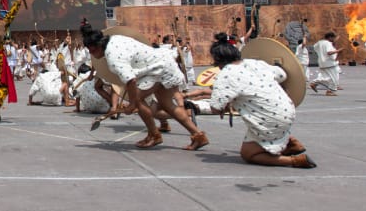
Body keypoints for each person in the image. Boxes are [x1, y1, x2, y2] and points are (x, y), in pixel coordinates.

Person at [81, 23, 209, 150]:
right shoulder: (114, 38)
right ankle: (198, 135)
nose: (91, 54)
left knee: (139, 101)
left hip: (157, 69)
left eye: (91, 51)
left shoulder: (113, 58)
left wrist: (132, 104)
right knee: (167, 104)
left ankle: (154, 135)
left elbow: (130, 80)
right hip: (164, 63)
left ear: (96, 47)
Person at [205, 34, 316, 168]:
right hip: (288, 110)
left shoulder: (226, 74)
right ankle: (289, 144)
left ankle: (295, 160)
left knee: (248, 154)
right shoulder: (255, 63)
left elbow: (216, 108)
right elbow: (282, 74)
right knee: (256, 135)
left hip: (269, 118)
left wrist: (224, 95)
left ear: (217, 59)